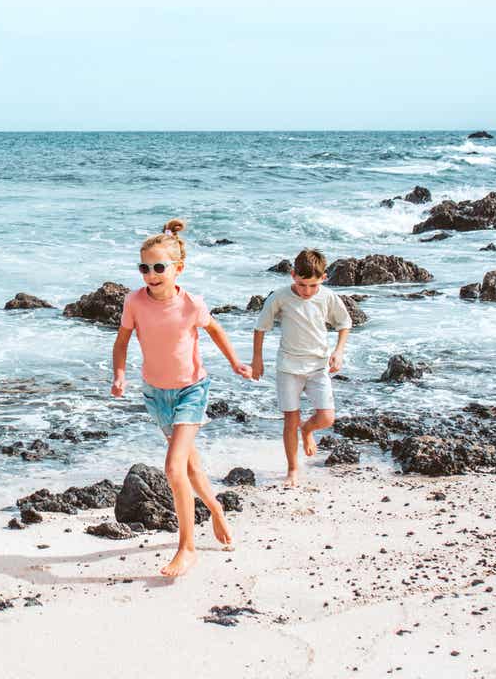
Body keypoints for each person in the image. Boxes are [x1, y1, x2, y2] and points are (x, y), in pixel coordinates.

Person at [111, 219, 252, 578]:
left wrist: (236, 362)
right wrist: (120, 374)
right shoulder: (134, 301)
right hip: (155, 394)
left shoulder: (191, 304)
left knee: (174, 469)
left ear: (178, 269)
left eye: (159, 267)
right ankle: (217, 510)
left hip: (191, 390)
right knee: (189, 467)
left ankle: (186, 548)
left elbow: (216, 331)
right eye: (145, 267)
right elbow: (123, 340)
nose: (151, 274)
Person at [251, 248, 352, 488]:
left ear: (324, 278)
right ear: (293, 275)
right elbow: (261, 327)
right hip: (288, 367)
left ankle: (307, 430)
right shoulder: (280, 297)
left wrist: (338, 351)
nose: (307, 291)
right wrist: (257, 359)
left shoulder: (327, 297)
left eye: (313, 286)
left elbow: (344, 323)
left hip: (318, 367)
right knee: (289, 421)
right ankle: (293, 469)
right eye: (301, 285)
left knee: (327, 417)